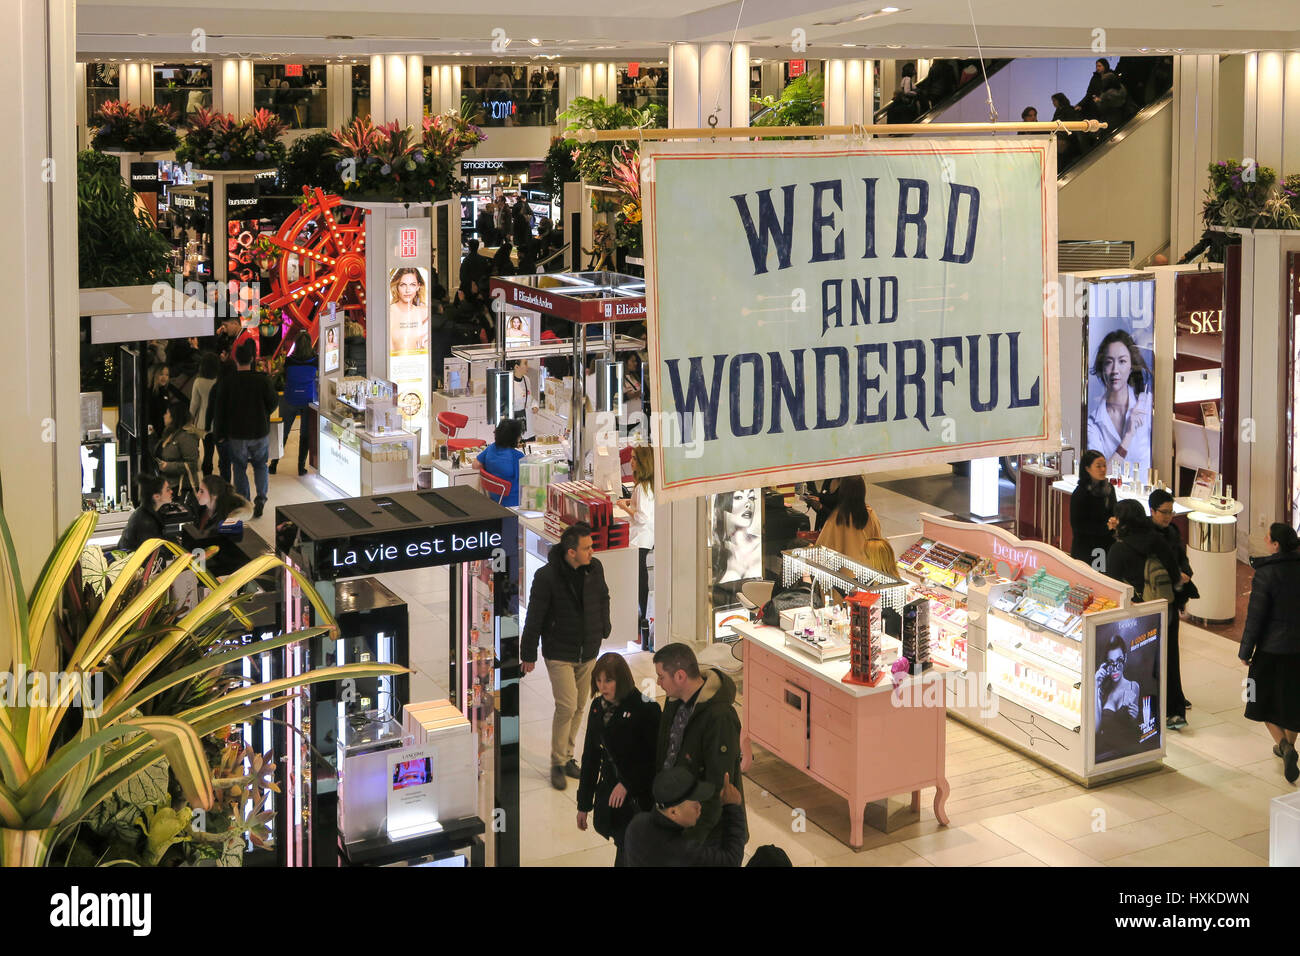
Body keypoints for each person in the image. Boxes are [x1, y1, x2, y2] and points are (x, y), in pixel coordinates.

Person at [520, 521, 612, 790]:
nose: (591, 552)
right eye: (586, 548)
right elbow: (534, 617)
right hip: (559, 651)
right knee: (567, 705)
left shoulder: (595, 569)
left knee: (581, 705)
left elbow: (604, 597)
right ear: (570, 552)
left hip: (589, 650)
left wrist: (604, 626)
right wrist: (528, 653)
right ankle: (557, 762)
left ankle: (569, 756)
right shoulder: (547, 577)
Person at [575, 652, 661, 866]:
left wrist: (628, 784)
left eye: (609, 680)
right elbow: (591, 758)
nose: (603, 686)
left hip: (638, 799)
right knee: (623, 846)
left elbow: (655, 758)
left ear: (621, 680)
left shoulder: (646, 708)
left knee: (629, 848)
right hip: (609, 795)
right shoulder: (596, 708)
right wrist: (583, 804)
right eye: (599, 680)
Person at [653, 642, 743, 843]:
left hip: (704, 833)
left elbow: (719, 783)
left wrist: (693, 839)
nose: (658, 683)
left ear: (680, 676)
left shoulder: (720, 717)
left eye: (661, 677)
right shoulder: (674, 699)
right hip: (674, 816)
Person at [1239, 522, 1300, 784]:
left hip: (1270, 649)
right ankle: (1289, 745)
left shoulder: (1266, 573)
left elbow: (1256, 618)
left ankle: (1284, 747)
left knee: (1260, 700)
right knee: (1295, 702)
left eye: (1269, 537)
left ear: (1275, 545)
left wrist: (1245, 650)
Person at [623, 767, 747, 867]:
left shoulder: (637, 823)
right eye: (694, 803)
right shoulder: (681, 851)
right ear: (673, 812)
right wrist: (732, 808)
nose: (700, 806)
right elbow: (731, 861)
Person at [1150, 489, 1197, 727]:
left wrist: (1186, 573)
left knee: (1171, 652)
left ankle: (1175, 698)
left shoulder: (1173, 531)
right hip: (1159, 600)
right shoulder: (1148, 536)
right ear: (1152, 511)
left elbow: (1182, 557)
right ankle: (1170, 704)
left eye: (1171, 512)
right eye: (1164, 513)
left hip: (1174, 597)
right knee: (1162, 653)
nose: (1168, 517)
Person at [218, 340, 277, 518]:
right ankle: (261, 498)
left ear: (236, 360)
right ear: (252, 359)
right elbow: (273, 403)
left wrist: (220, 433)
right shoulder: (262, 380)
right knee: (260, 465)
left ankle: (245, 501)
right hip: (259, 431)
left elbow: (220, 409)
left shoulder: (228, 382)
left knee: (239, 466)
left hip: (236, 434)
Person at [1087, 329, 1153, 476]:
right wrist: (1128, 436)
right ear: (1102, 368)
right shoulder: (1093, 421)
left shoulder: (1147, 406)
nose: (1115, 370)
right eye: (1109, 363)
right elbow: (1099, 474)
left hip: (1142, 497)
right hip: (1110, 498)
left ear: (1131, 367)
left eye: (1122, 361)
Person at [1104, 499, 1181, 610]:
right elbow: (1174, 571)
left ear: (1122, 521)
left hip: (1135, 608)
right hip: (1163, 604)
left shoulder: (1119, 549)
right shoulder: (1157, 540)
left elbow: (1113, 585)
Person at [273, 330, 317, 476]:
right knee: (305, 435)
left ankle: (273, 465)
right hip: (308, 400)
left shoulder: (289, 360)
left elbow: (284, 377)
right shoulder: (315, 360)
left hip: (290, 398)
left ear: (296, 344)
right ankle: (300, 467)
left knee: (283, 433)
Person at [625, 446, 656, 651]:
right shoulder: (650, 486)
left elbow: (642, 517)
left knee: (640, 584)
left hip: (640, 539)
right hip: (648, 539)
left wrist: (624, 507)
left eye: (634, 458)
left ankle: (642, 625)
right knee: (642, 582)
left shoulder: (641, 488)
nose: (630, 461)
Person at [815, 475, 884, 566]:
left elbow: (822, 549)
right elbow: (878, 544)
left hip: (843, 573)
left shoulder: (837, 518)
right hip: (866, 570)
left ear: (843, 492)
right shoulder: (870, 514)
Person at [1095, 633, 1143, 756]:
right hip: (1106, 751)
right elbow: (1096, 728)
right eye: (1111, 663)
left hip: (1127, 750)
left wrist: (1134, 717)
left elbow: (1134, 726)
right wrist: (1095, 686)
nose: (1115, 668)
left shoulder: (1133, 686)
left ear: (1125, 658)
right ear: (1105, 665)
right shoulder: (1102, 691)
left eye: (1119, 661)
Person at [1070, 450, 1118, 567]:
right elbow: (1078, 525)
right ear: (1087, 468)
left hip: (1107, 545)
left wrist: (1114, 521)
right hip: (1086, 548)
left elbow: (1114, 511)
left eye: (1104, 465)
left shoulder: (1109, 488)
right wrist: (1105, 527)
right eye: (1098, 466)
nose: (1103, 469)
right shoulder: (1080, 493)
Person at [712, 488, 762, 584]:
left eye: (751, 498)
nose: (748, 504)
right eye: (738, 497)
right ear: (723, 505)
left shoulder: (760, 546)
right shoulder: (717, 550)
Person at [474, 417, 525, 507]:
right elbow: (527, 482)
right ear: (514, 437)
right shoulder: (518, 457)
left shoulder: (491, 448)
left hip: (495, 498)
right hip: (514, 502)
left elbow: (475, 465)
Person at [154, 401, 201, 498]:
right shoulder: (169, 434)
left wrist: (168, 466)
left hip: (180, 489)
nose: (164, 416)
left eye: (167, 413)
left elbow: (192, 464)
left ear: (174, 416)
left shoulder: (186, 436)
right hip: (168, 486)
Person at [117, 474, 172, 552]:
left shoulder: (145, 512)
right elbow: (149, 553)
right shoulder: (146, 522)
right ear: (156, 496)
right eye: (167, 490)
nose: (171, 491)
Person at [189, 352, 220, 476]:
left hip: (202, 423)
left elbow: (194, 404)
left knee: (207, 452)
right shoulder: (219, 381)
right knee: (217, 451)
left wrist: (190, 421)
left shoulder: (198, 382)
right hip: (218, 422)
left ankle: (207, 476)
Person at [388, 268, 429, 353]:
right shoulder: (389, 312)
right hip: (395, 363)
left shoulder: (424, 313)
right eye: (403, 285)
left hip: (420, 363)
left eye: (412, 285)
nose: (407, 290)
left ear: (418, 286)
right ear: (397, 286)